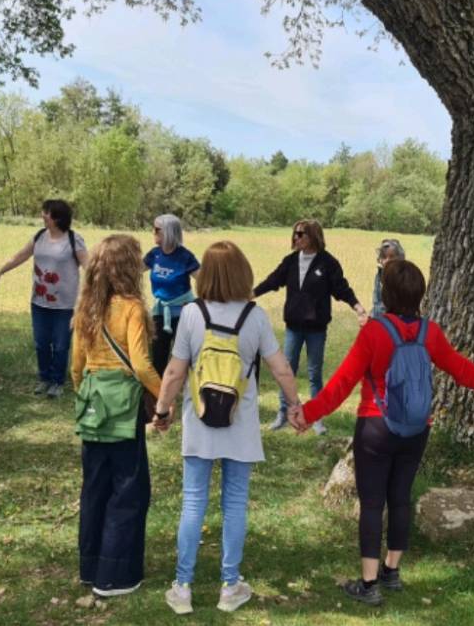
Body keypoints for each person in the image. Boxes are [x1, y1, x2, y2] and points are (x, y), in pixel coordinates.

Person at [290, 259, 474, 606]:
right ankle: (392, 571)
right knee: (401, 497)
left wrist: (308, 414)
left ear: (386, 293)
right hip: (416, 429)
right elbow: (458, 367)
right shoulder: (430, 333)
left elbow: (342, 383)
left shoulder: (374, 332)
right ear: (419, 294)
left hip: (376, 427)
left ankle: (369, 584)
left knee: (372, 503)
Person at [152, 240, 302, 615]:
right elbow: (281, 368)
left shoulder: (191, 314)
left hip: (199, 421)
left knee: (193, 502)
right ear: (243, 273)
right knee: (235, 503)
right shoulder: (255, 317)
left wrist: (162, 409)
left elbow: (174, 371)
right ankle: (229, 585)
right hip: (240, 423)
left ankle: (182, 587)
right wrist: (295, 405)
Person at [71, 235, 162, 598]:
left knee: (94, 487)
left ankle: (90, 566)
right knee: (128, 489)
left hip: (93, 402)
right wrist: (164, 396)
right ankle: (116, 574)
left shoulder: (86, 308)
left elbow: (76, 366)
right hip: (124, 406)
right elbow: (140, 365)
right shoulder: (132, 308)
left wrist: (86, 393)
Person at [253, 218, 367, 434]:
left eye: (300, 234)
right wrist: (251, 294)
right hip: (293, 327)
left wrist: (357, 306)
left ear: (313, 236)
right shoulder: (290, 261)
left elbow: (341, 288)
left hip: (316, 329)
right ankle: (283, 413)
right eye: (294, 233)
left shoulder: (328, 263)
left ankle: (316, 418)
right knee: (287, 370)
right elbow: (273, 281)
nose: (296, 237)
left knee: (314, 373)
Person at [0, 199, 88, 397]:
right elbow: (20, 256)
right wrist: (0, 272)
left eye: (46, 212)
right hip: (39, 302)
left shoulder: (74, 239)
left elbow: (88, 266)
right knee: (41, 343)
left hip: (65, 305)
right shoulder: (39, 237)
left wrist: (93, 292)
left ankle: (57, 381)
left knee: (61, 345)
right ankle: (44, 378)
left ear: (57, 217)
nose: (42, 215)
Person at [145, 214, 199, 376]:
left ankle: (187, 386)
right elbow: (132, 271)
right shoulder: (154, 254)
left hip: (183, 313)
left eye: (157, 229)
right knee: (158, 356)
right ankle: (158, 388)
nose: (153, 232)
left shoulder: (185, 257)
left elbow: (204, 280)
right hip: (160, 312)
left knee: (184, 357)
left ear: (168, 231)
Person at [371, 239, 405, 318]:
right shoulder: (379, 275)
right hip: (380, 316)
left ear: (400, 258)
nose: (387, 260)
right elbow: (376, 301)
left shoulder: (404, 276)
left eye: (392, 257)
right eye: (384, 257)